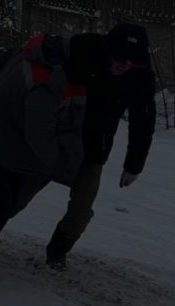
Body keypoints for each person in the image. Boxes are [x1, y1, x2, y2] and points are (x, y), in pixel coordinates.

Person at [0, 33, 109, 279]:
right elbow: (41, 137)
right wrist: (67, 169)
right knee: (1, 205)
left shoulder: (47, 51)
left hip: (10, 138)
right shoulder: (49, 82)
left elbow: (2, 57)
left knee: (3, 202)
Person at [45, 23, 156, 271]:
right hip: (56, 140)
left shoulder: (140, 78)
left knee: (81, 212)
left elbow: (143, 122)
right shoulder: (84, 52)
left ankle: (57, 252)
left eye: (132, 62)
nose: (124, 65)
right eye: (119, 58)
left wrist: (133, 166)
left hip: (94, 149)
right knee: (16, 198)